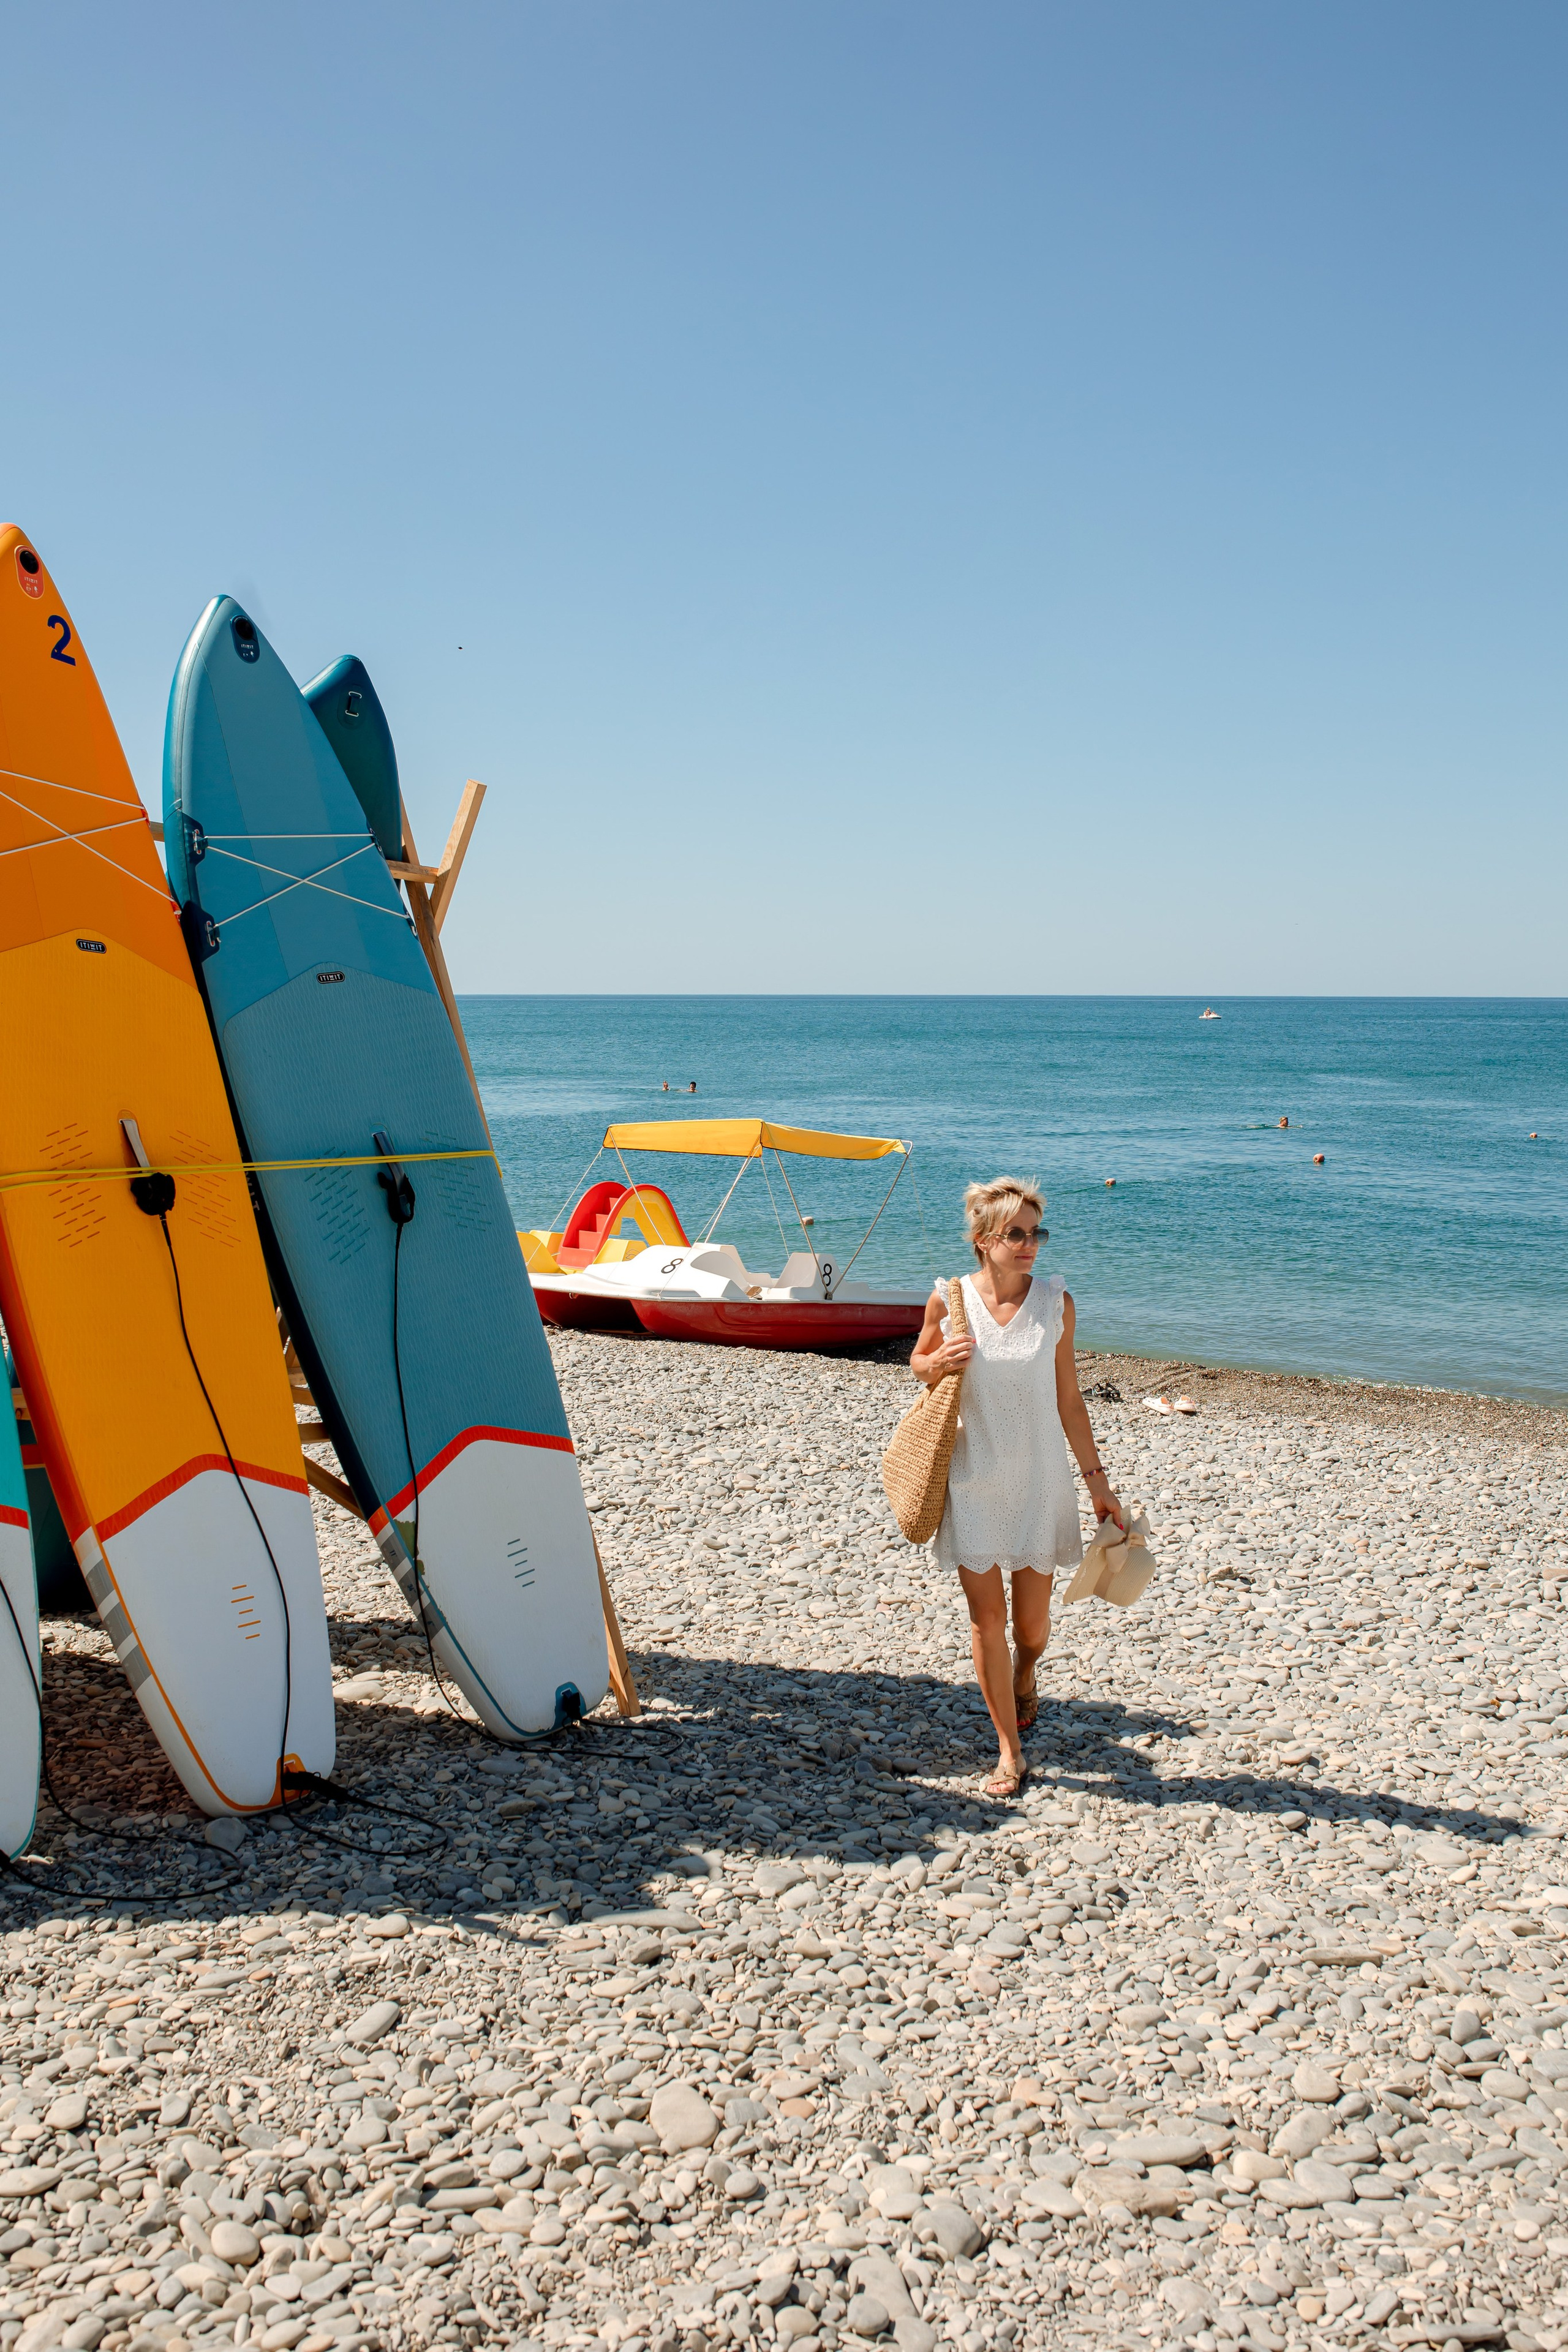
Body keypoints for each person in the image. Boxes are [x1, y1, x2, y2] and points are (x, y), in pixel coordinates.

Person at [910, 1178, 1122, 1798]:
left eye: (1037, 1233)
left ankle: (1027, 1671)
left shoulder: (1056, 1302)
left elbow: (1069, 1399)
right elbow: (918, 1364)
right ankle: (1009, 1750)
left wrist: (1097, 1484)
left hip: (1038, 1482)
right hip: (972, 1477)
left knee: (1030, 1627)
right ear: (982, 1242)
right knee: (987, 1621)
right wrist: (936, 1363)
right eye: (1017, 1234)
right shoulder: (947, 1300)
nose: (1031, 1245)